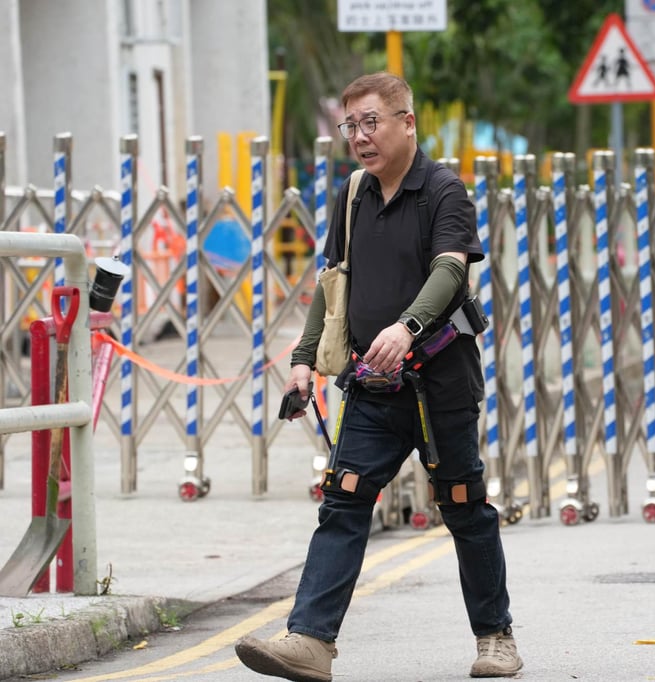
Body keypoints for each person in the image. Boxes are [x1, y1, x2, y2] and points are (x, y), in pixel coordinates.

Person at [234, 72, 522, 680]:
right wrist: (304, 361)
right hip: (371, 385)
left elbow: (451, 273)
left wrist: (407, 327)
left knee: (465, 508)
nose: (360, 137)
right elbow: (332, 283)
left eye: (372, 123)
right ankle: (310, 641)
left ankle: (496, 637)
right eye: (351, 126)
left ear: (406, 122)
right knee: (342, 502)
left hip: (438, 385)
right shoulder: (354, 193)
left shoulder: (444, 191)